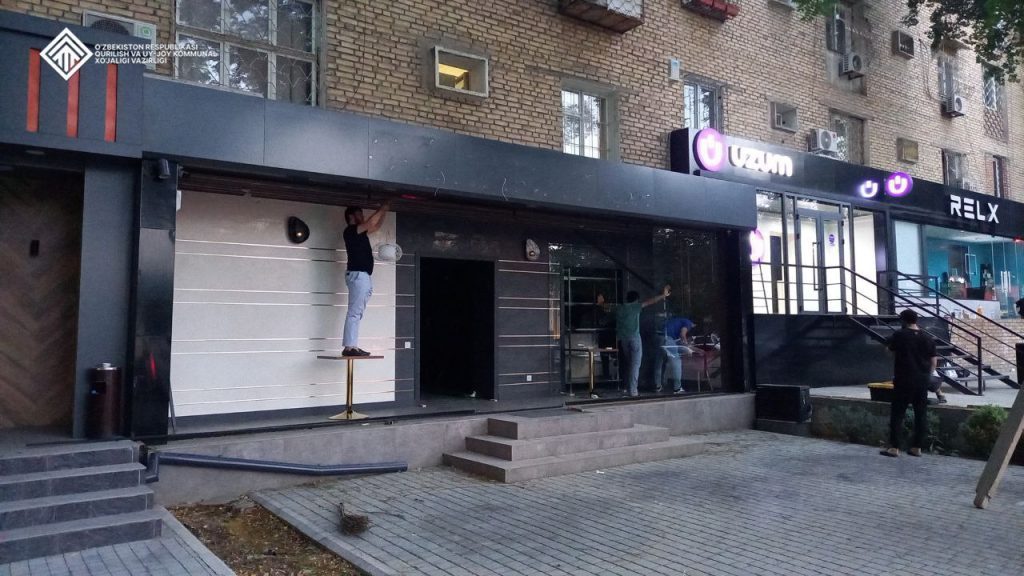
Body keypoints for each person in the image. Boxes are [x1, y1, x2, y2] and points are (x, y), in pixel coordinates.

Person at [881, 309, 937, 457]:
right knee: (921, 414)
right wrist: (927, 376)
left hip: (903, 380)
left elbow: (889, 352)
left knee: (898, 413)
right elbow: (933, 361)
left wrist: (888, 347)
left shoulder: (900, 335)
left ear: (903, 320)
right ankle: (917, 447)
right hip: (922, 381)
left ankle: (894, 447)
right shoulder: (928, 337)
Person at [341, 201, 390, 357]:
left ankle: (352, 346)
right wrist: (383, 207)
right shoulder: (351, 231)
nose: (362, 216)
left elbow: (376, 226)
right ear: (351, 216)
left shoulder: (360, 232)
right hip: (358, 275)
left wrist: (384, 211)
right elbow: (370, 223)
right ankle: (349, 347)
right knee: (355, 312)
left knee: (357, 312)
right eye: (359, 214)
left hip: (363, 276)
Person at [615, 285, 671, 397]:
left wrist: (601, 303)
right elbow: (650, 301)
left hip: (623, 339)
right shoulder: (635, 306)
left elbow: (607, 307)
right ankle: (633, 391)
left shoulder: (620, 308)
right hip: (634, 338)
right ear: (636, 299)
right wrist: (663, 295)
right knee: (635, 364)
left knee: (629, 363)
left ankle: (626, 387)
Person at [654, 315, 695, 394]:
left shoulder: (676, 320)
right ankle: (677, 388)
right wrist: (688, 348)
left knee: (659, 363)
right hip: (667, 339)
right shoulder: (688, 322)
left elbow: (677, 342)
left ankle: (657, 386)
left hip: (658, 337)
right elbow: (682, 334)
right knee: (677, 362)